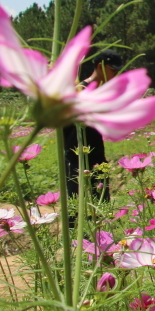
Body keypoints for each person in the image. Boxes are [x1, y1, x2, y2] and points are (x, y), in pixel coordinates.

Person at [63, 49, 124, 204]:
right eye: (113, 70)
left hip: (96, 155)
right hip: (75, 156)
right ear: (99, 66)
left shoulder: (105, 94)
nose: (115, 75)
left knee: (102, 201)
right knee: (75, 204)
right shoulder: (79, 91)